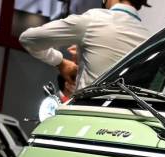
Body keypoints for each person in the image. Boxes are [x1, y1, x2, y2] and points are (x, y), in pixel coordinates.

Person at [19, 0, 150, 91]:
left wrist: (60, 62)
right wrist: (84, 55)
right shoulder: (149, 39)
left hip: (87, 118)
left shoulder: (93, 19)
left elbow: (28, 39)